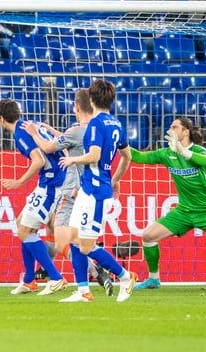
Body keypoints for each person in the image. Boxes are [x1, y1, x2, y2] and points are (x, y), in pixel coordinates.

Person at [113, 117, 206, 290]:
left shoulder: (198, 150)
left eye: (175, 127)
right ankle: (153, 279)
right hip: (184, 211)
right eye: (170, 127)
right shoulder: (166, 154)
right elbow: (138, 156)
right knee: (148, 236)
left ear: (185, 131)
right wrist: (118, 142)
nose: (170, 130)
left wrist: (183, 151)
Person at [21, 89, 114, 296]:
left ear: (77, 107)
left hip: (72, 189)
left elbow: (47, 148)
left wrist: (34, 132)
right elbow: (74, 142)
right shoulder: (97, 128)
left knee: (66, 241)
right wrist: (55, 132)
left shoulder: (75, 131)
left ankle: (99, 271)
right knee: (62, 231)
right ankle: (87, 277)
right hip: (92, 188)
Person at [57, 80, 136, 303]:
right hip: (89, 188)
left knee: (86, 245)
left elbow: (93, 155)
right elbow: (127, 156)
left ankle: (126, 276)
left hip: (94, 192)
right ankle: (83, 291)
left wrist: (72, 159)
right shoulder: (117, 125)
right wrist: (116, 179)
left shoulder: (95, 124)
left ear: (91, 100)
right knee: (73, 239)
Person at [0, 99, 68, 296]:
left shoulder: (20, 134)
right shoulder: (29, 124)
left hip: (51, 185)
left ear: (1, 119)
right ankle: (29, 280)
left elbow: (39, 160)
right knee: (21, 225)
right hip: (51, 181)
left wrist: (18, 182)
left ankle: (56, 277)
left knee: (25, 231)